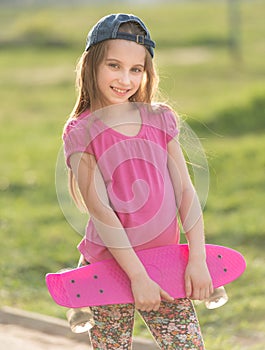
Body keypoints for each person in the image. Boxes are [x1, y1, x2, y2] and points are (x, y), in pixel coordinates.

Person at [63, 13, 213, 350]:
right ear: (91, 66)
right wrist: (137, 277)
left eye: (136, 69)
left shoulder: (159, 119)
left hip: (166, 262)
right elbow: (101, 212)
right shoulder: (82, 131)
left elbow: (186, 192)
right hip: (109, 266)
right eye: (113, 66)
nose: (125, 79)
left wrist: (197, 258)